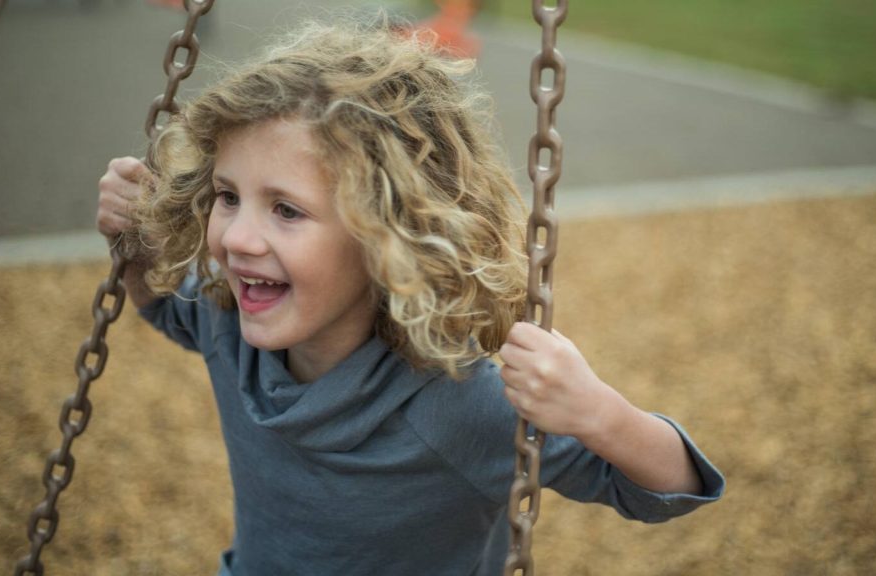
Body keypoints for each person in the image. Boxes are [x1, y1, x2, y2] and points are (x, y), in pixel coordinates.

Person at [96, 17, 723, 576]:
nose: (237, 237)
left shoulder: (457, 407)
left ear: (386, 235)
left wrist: (598, 412)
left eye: (286, 209)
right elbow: (159, 303)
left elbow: (664, 488)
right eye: (229, 196)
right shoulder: (226, 322)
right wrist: (135, 242)